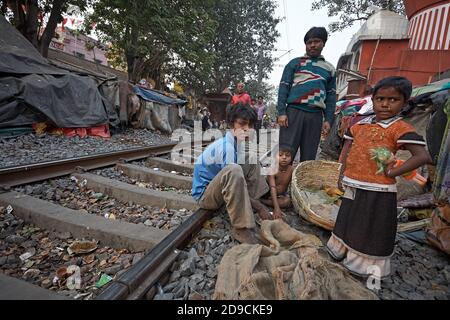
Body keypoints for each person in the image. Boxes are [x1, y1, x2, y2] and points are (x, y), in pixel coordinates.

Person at [326, 76, 432, 279]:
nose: (385, 104)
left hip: (378, 187)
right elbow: (346, 150)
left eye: (393, 100)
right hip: (352, 181)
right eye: (380, 98)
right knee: (348, 217)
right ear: (372, 100)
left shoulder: (400, 128)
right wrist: (341, 171)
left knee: (370, 225)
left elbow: (422, 156)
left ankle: (362, 263)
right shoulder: (360, 124)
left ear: (404, 102)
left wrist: (393, 172)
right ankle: (341, 248)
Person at [192, 104, 274, 244]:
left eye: (250, 125)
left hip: (217, 187)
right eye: (242, 124)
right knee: (234, 170)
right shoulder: (227, 147)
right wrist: (260, 208)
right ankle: (240, 228)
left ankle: (254, 200)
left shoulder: (236, 142)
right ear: (231, 124)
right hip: (205, 197)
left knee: (251, 158)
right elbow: (233, 177)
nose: (247, 129)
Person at [277, 27, 336, 162]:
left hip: (315, 116)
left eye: (317, 41)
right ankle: (279, 183)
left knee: (309, 157)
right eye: (309, 42)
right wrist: (281, 112)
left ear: (324, 43)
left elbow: (331, 97)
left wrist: (328, 119)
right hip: (293, 113)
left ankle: (302, 183)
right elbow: (283, 88)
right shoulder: (294, 63)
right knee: (285, 154)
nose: (313, 45)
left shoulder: (330, 69)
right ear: (305, 45)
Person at [260, 148, 293, 219]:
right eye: (280, 155)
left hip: (280, 195)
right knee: (285, 202)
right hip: (268, 193)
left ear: (291, 158)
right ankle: (262, 201)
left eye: (287, 155)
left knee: (288, 201)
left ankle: (266, 202)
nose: (284, 157)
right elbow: (273, 188)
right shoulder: (272, 169)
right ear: (275, 157)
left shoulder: (291, 169)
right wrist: (276, 208)